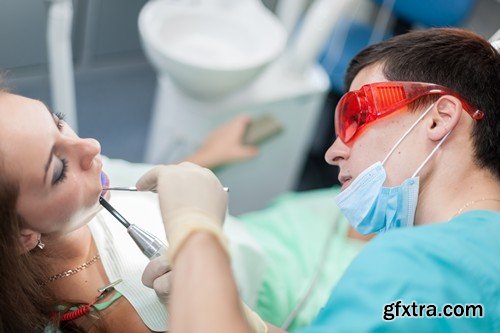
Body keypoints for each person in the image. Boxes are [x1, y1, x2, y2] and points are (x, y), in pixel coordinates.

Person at [140, 28, 500, 332]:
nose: (333, 151)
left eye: (355, 116)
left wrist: (196, 236)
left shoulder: (415, 267)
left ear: (439, 119)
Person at [0, 92, 260, 333]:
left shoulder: (85, 188)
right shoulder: (122, 322)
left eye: (58, 122)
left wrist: (205, 156)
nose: (92, 145)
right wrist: (207, 285)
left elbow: (139, 182)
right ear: (21, 237)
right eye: (59, 169)